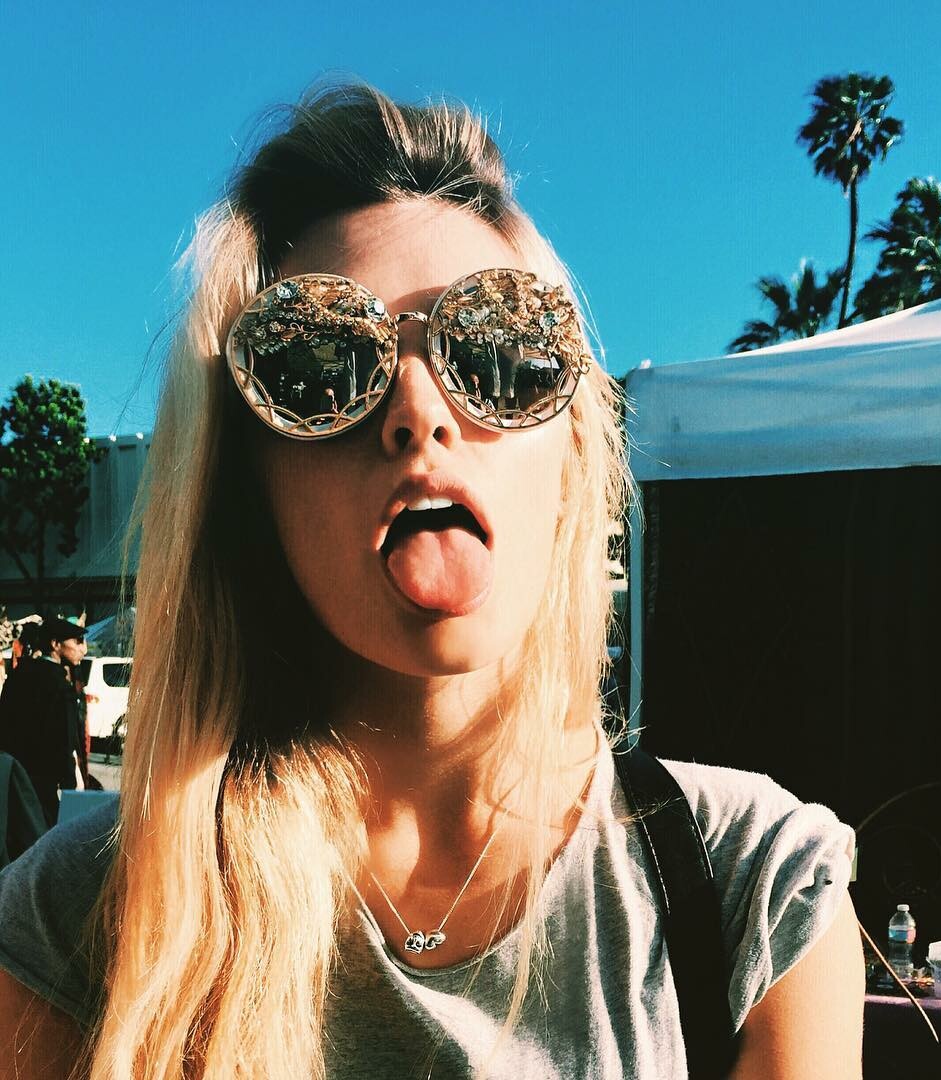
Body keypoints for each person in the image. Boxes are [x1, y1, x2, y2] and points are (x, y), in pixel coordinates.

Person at [0, 83, 863, 1079]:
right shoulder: (80, 919)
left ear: (573, 454)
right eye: (318, 366)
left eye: (500, 350)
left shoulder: (753, 885)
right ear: (246, 485)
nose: (419, 410)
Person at [0, 614, 87, 827]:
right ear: (55, 644)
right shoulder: (60, 687)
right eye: (77, 641)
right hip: (46, 783)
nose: (83, 649)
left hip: (14, 776)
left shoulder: (17, 676)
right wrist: (69, 784)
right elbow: (65, 742)